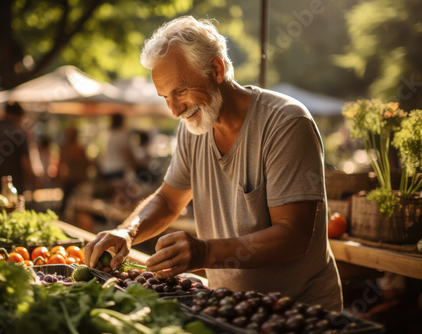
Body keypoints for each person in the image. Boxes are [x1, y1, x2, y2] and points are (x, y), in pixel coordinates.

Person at [85, 16, 343, 311]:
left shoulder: (285, 122)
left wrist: (204, 252)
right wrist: (127, 232)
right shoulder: (192, 127)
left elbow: (293, 236)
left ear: (217, 69)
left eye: (180, 91)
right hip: (231, 307)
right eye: (165, 97)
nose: (174, 110)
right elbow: (170, 200)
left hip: (299, 312)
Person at [58, 126, 90, 216]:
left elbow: (86, 164)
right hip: (74, 179)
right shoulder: (72, 148)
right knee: (70, 200)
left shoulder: (69, 148)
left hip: (75, 179)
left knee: (72, 201)